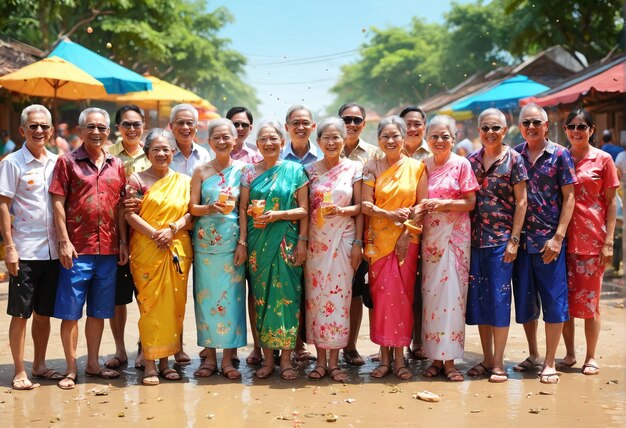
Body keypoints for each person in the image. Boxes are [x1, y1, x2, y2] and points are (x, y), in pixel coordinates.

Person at [50, 107, 128, 390]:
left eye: (102, 128)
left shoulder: (117, 164)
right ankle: (71, 368)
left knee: (99, 311)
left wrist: (122, 242)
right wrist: (63, 240)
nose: (96, 132)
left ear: (109, 132)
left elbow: (120, 207)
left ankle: (92, 363)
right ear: (80, 131)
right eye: (91, 127)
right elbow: (57, 202)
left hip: (107, 249)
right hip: (77, 249)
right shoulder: (67, 162)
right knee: (71, 312)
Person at [511, 103, 576, 384]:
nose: (531, 127)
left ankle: (550, 362)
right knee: (525, 302)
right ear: (520, 126)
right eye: (527, 122)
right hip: (520, 241)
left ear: (547, 125)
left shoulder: (560, 155)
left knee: (554, 301)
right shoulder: (514, 155)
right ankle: (534, 354)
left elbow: (570, 197)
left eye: (537, 122)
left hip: (549, 242)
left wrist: (559, 237)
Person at [240, 119, 308, 380]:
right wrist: (243, 243)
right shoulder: (248, 172)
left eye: (273, 139)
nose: (269, 143)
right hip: (258, 244)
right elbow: (243, 210)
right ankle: (268, 359)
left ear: (282, 142)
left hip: (287, 242)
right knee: (262, 299)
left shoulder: (295, 170)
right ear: (257, 144)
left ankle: (288, 359)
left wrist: (280, 217)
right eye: (263, 139)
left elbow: (304, 210)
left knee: (288, 299)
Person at [0, 105, 62, 390]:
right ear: (23, 130)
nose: (39, 131)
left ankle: (39, 364)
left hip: (52, 251)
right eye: (33, 126)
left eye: (44, 127)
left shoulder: (57, 162)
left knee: (43, 313)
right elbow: (3, 205)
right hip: (24, 250)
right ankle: (19, 370)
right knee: (20, 313)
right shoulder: (12, 162)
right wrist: (9, 247)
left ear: (51, 131)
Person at [125, 128, 193, 386]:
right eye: (156, 150)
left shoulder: (185, 181)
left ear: (173, 153)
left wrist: (171, 229)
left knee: (174, 305)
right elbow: (130, 215)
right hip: (146, 249)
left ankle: (166, 363)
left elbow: (191, 214)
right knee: (150, 306)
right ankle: (151, 364)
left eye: (166, 149)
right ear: (147, 153)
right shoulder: (136, 180)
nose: (162, 153)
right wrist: (156, 233)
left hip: (176, 247)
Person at [362, 116, 428, 380]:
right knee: (381, 301)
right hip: (378, 244)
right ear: (378, 139)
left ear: (404, 138)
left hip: (407, 242)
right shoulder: (371, 167)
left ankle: (400, 358)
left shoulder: (417, 167)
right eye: (385, 136)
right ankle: (384, 357)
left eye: (395, 136)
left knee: (403, 299)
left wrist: (405, 233)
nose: (390, 141)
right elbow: (366, 205)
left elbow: (422, 205)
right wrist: (388, 215)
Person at [466, 108, 528, 383]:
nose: (490, 133)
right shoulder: (470, 161)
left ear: (505, 130)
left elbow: (522, 202)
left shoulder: (515, 159)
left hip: (502, 241)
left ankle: (499, 362)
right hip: (474, 241)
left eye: (495, 128)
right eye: (485, 128)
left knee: (500, 300)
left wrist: (514, 240)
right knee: (480, 301)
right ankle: (487, 358)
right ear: (478, 131)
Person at [190, 119, 251, 379]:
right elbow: (192, 208)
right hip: (205, 248)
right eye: (217, 137)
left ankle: (228, 359)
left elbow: (244, 210)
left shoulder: (244, 170)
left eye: (228, 137)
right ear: (209, 141)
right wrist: (209, 208)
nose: (223, 141)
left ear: (235, 139)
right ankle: (209, 358)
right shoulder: (201, 171)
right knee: (205, 301)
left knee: (232, 302)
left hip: (232, 245)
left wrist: (243, 243)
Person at [559, 110, 618, 376]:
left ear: (591, 129)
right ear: (565, 129)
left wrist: (609, 242)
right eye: (571, 126)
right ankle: (570, 354)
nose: (576, 131)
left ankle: (591, 356)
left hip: (593, 241)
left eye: (581, 126)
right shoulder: (561, 157)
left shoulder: (603, 159)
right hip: (561, 242)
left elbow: (612, 203)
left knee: (591, 303)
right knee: (564, 303)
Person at [420, 115, 479, 382]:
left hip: (455, 240)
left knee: (454, 298)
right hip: (431, 239)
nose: (440, 141)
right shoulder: (422, 166)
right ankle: (434, 358)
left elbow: (470, 202)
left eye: (445, 136)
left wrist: (443, 205)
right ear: (427, 139)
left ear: (453, 138)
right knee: (432, 297)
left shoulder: (462, 165)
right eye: (434, 136)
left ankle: (451, 360)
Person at [304, 117, 363, 382]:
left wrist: (358, 244)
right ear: (318, 142)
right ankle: (319, 360)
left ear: (344, 140)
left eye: (336, 137)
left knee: (340, 300)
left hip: (344, 240)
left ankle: (335, 362)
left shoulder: (355, 168)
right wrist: (303, 243)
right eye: (326, 137)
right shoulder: (309, 171)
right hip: (317, 242)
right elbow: (305, 211)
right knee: (315, 299)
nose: (331, 142)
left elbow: (361, 208)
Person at [105, 105, 151, 371]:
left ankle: (146, 347)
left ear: (143, 125)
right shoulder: (107, 156)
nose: (132, 129)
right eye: (126, 124)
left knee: (147, 297)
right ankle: (120, 350)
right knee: (118, 298)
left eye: (136, 124)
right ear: (118, 128)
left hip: (149, 238)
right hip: (114, 238)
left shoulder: (156, 153)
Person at [338, 102, 382, 367]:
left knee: (356, 290)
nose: (351, 124)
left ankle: (351, 347)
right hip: (329, 235)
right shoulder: (328, 146)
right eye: (346, 119)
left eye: (356, 120)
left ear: (364, 124)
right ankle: (325, 344)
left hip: (367, 234)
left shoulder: (374, 154)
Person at [167, 103, 212, 364]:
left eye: (190, 123)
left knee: (203, 289)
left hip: (203, 231)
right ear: (171, 126)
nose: (185, 128)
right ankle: (172, 344)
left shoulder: (204, 156)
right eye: (180, 123)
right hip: (168, 232)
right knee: (171, 291)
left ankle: (207, 344)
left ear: (197, 127)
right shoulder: (162, 153)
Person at [281, 105, 320, 362]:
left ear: (313, 127)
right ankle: (293, 344)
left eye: (306, 122)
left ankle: (325, 345)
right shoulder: (276, 159)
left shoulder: (324, 156)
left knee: (317, 291)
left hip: (324, 234)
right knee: (290, 289)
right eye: (295, 122)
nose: (301, 127)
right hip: (286, 234)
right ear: (287, 127)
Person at [225, 106, 262, 366]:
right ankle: (228, 347)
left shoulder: (259, 156)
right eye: (234, 124)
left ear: (251, 128)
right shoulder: (215, 155)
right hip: (224, 236)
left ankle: (259, 346)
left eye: (244, 126)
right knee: (228, 291)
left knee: (256, 291)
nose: (239, 130)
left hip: (258, 232)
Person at [399, 105, 430, 361]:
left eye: (417, 124)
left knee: (420, 287)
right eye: (407, 124)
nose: (412, 129)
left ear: (424, 126)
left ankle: (418, 340)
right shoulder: (388, 152)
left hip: (427, 231)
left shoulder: (432, 154)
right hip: (389, 231)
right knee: (390, 287)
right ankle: (390, 342)